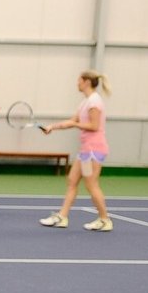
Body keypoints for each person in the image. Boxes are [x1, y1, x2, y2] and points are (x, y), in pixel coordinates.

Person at [39, 71, 113, 230]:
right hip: (86, 150)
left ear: (86, 82)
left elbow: (94, 126)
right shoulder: (85, 102)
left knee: (91, 185)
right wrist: (52, 127)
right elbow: (73, 120)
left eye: (79, 80)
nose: (77, 83)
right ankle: (62, 217)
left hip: (94, 150)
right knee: (72, 181)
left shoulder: (95, 102)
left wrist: (75, 125)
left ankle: (105, 219)